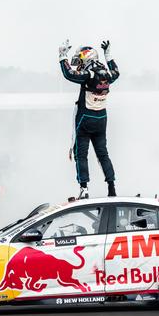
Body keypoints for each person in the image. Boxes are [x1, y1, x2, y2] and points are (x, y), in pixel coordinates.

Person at [59, 39, 120, 199]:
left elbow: (68, 74)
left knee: (81, 155)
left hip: (85, 119)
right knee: (103, 154)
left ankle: (84, 189)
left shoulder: (88, 74)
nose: (78, 65)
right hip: (101, 119)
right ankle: (112, 188)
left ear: (86, 59)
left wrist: (62, 56)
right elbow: (117, 72)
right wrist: (108, 55)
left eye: (79, 62)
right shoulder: (107, 74)